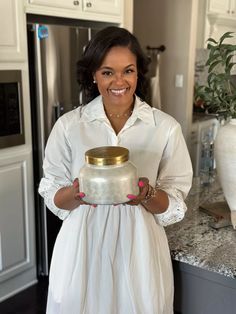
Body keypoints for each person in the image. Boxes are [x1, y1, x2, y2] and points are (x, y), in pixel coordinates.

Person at [39, 26, 193, 314]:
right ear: (93, 76)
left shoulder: (165, 128)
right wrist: (76, 193)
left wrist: (147, 194)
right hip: (82, 245)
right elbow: (52, 194)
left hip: (141, 248)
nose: (119, 81)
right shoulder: (69, 126)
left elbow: (174, 203)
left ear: (138, 74)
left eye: (128, 71)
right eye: (107, 72)